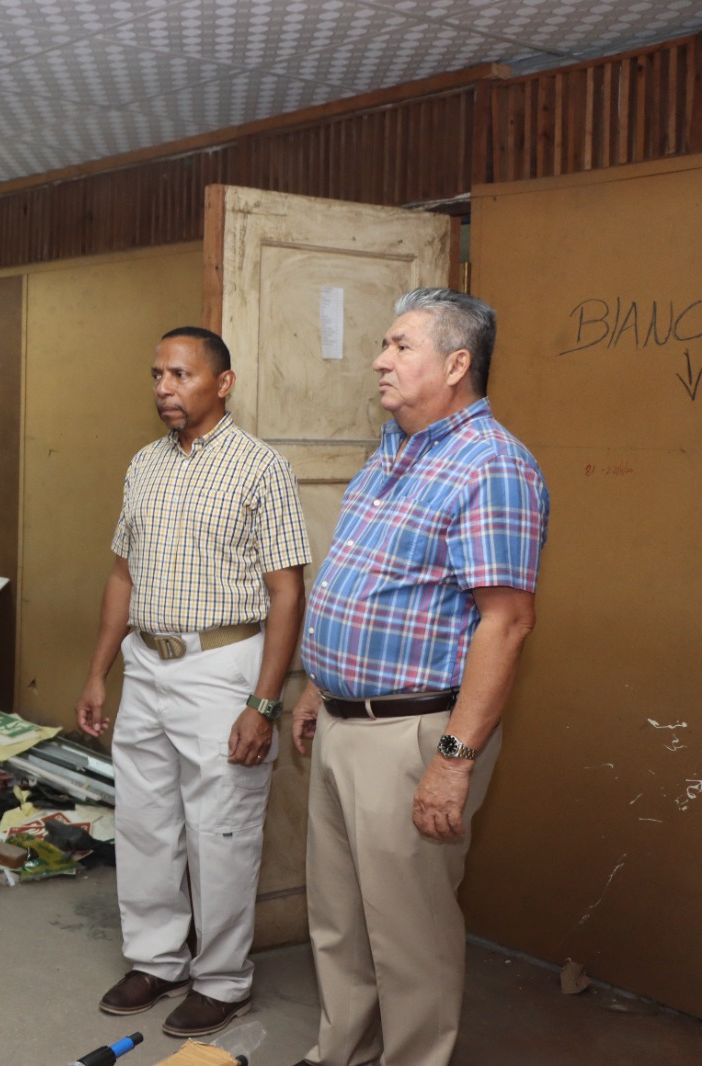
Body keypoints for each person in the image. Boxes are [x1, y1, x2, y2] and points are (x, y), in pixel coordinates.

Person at [290, 289, 548, 1066]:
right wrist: (317, 683)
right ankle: (342, 1052)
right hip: (344, 719)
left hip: (412, 733)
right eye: (385, 344)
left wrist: (454, 760)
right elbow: (362, 584)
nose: (381, 361)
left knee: (409, 934)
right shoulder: (392, 451)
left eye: (401, 346)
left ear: (457, 363)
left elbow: (506, 623)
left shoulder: (492, 466)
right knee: (339, 919)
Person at [77, 327, 311, 1038]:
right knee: (144, 822)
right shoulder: (144, 463)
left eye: (180, 374)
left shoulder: (259, 467)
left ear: (223, 383)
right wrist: (99, 672)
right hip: (147, 663)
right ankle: (157, 960)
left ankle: (222, 980)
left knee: (221, 832)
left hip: (222, 665)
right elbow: (123, 576)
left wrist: (264, 703)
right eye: (157, 374)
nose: (164, 388)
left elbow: (288, 593)